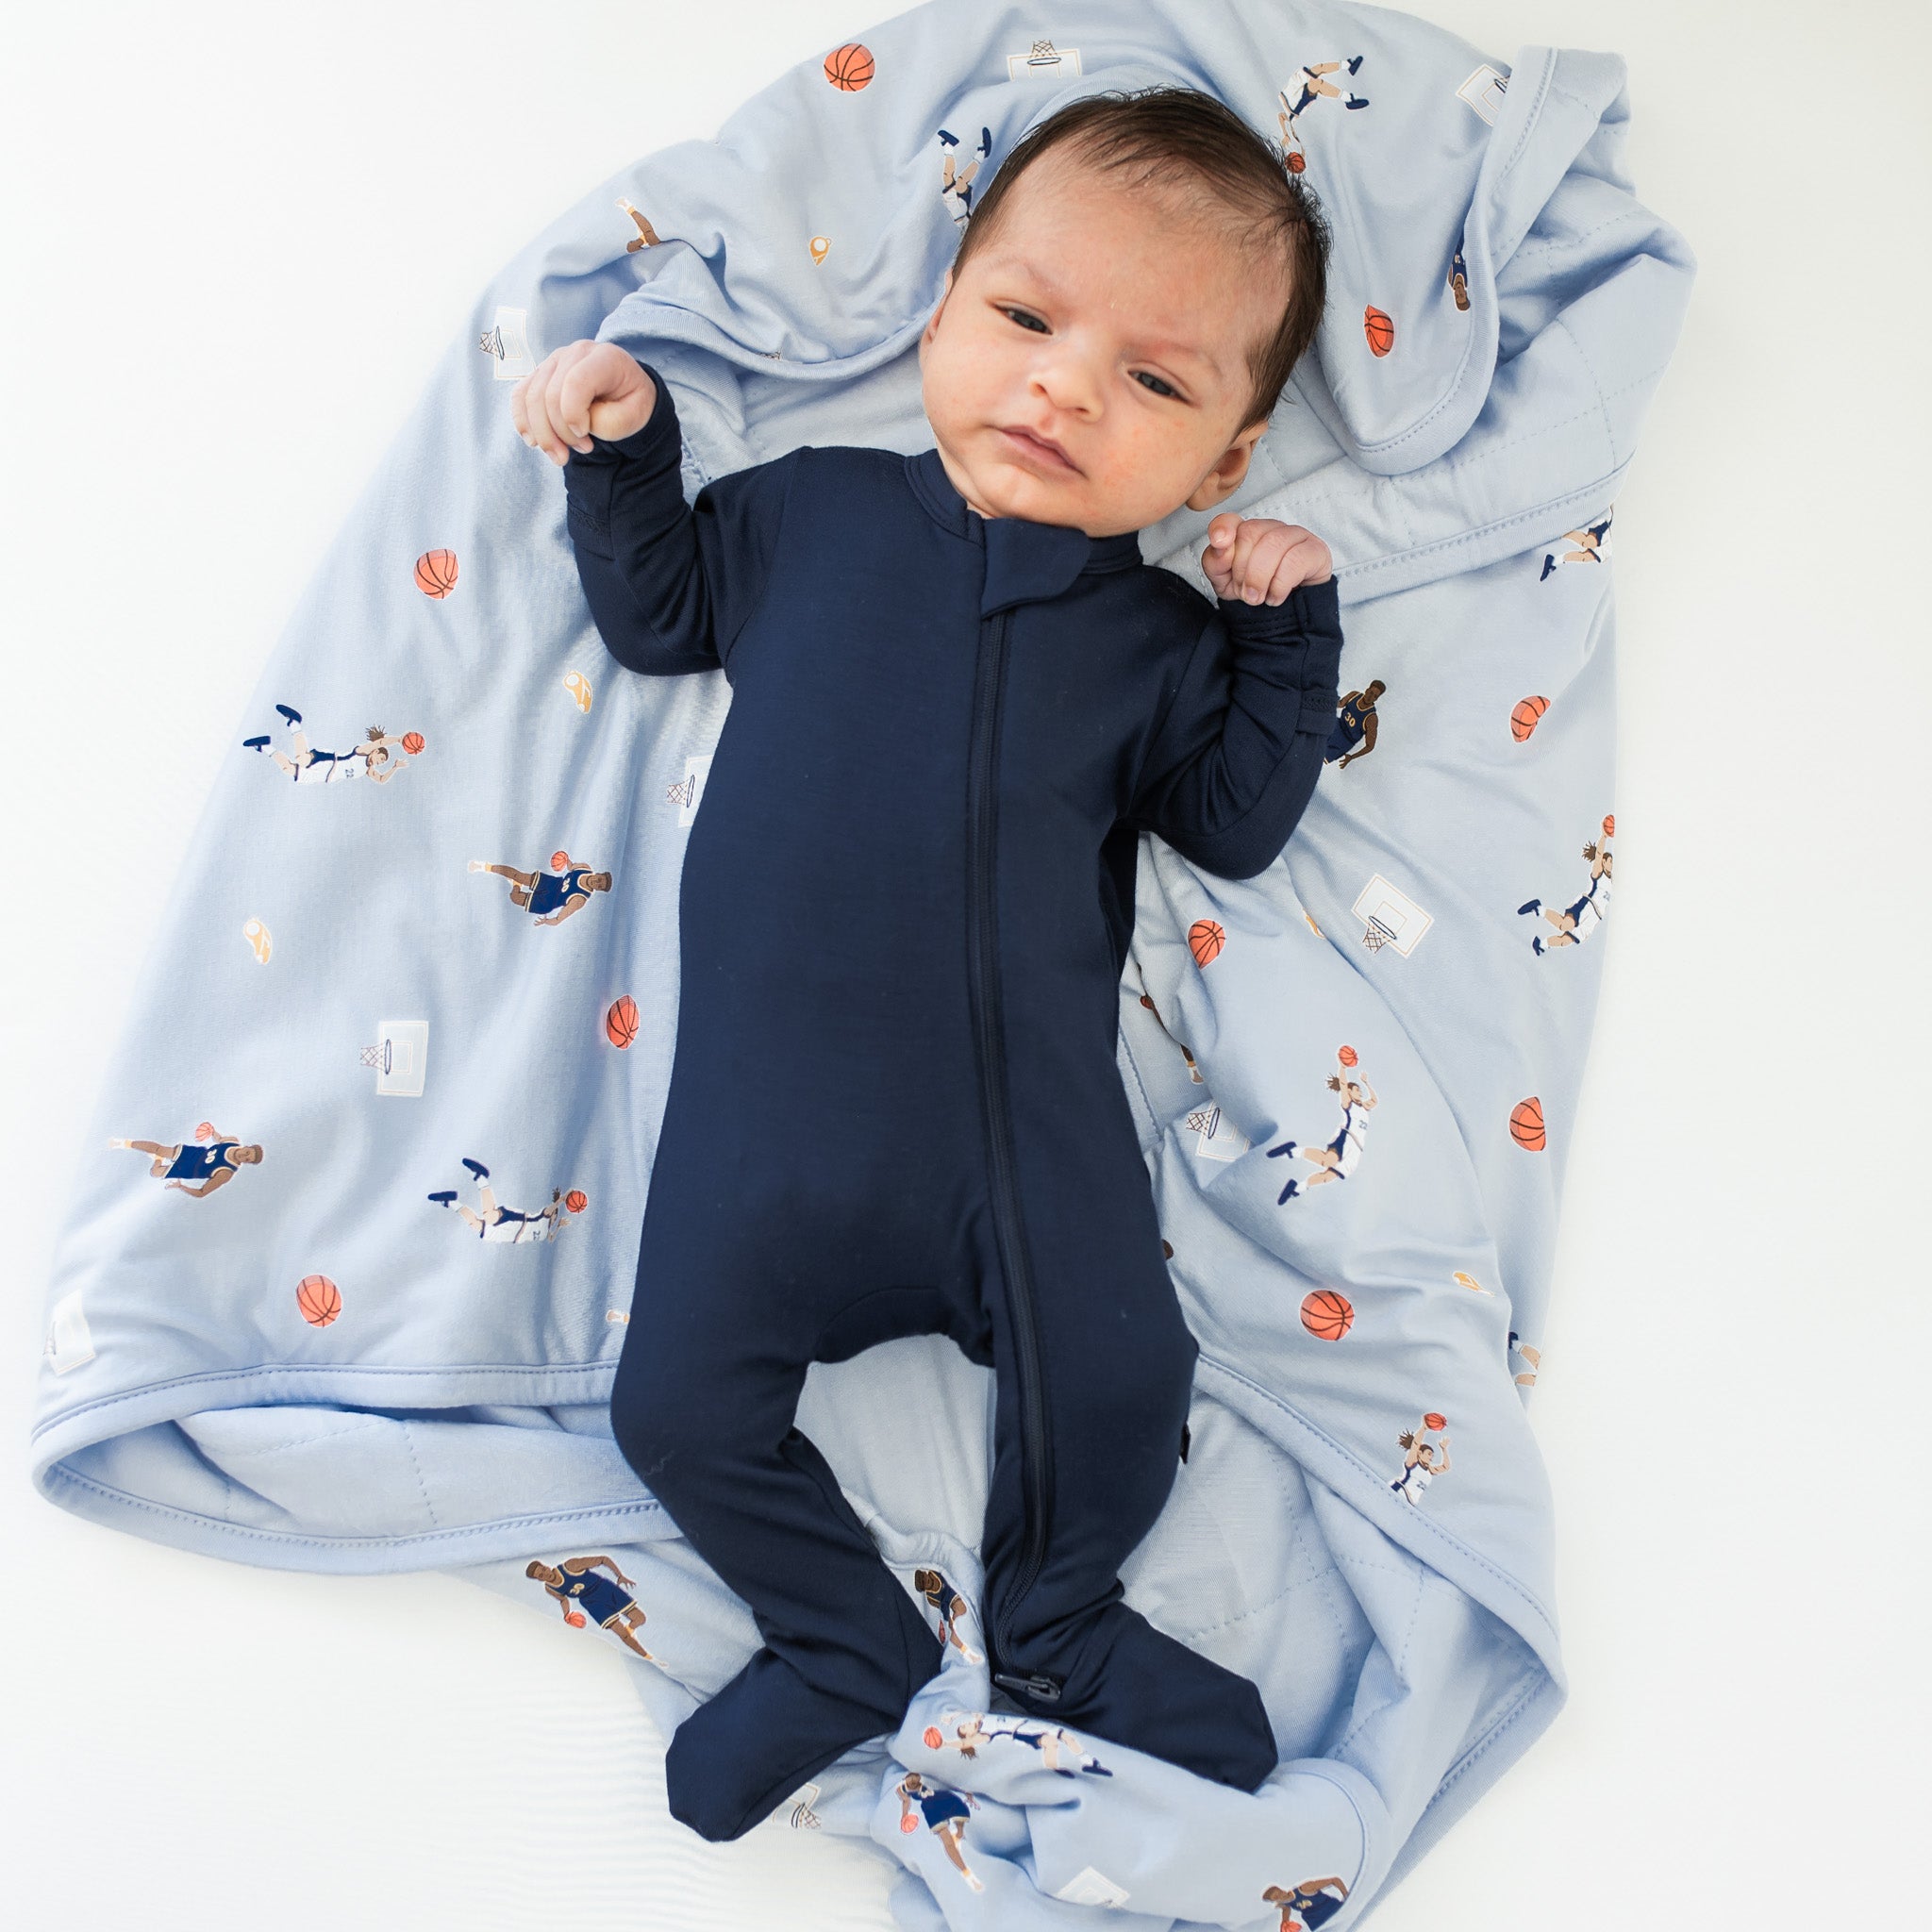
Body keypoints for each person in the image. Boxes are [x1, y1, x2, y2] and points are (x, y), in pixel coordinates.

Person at [512, 85, 1347, 1844]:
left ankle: (1054, 1628)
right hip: (770, 1138)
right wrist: (627, 448)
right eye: (1028, 321)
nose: (1063, 387)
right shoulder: (810, 514)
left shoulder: (1159, 640)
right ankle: (837, 1642)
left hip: (1019, 1139)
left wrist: (1285, 640)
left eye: (1156, 379)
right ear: (938, 317)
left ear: (1223, 467)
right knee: (671, 1405)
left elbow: (1235, 822)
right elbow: (658, 607)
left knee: (1126, 1377)